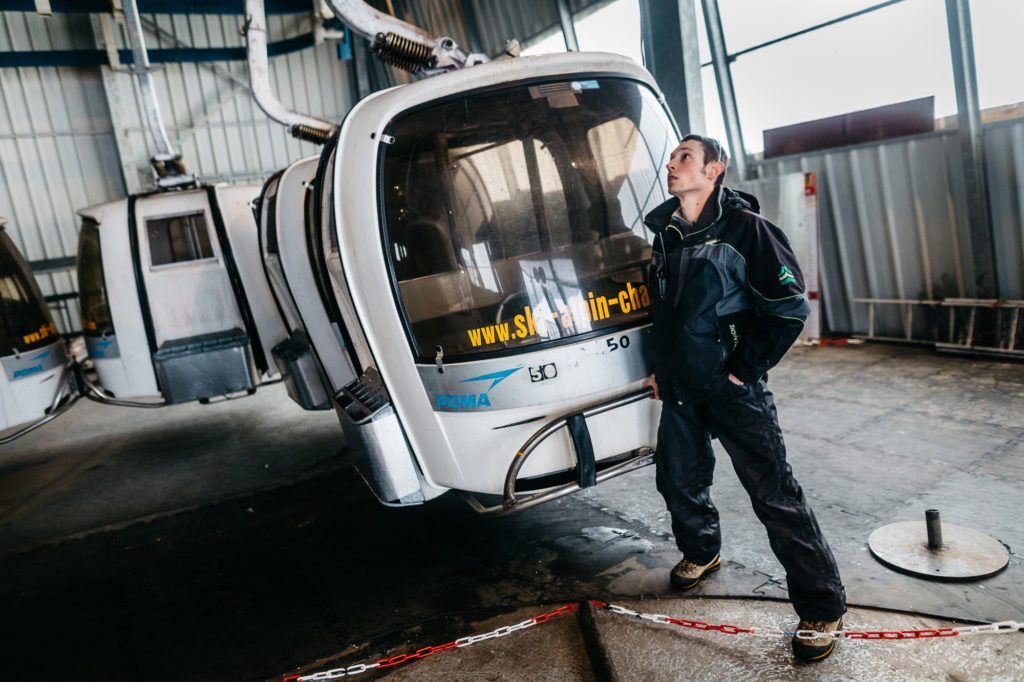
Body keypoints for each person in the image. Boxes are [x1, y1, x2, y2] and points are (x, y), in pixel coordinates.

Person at [642, 134, 847, 662]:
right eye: (672, 157)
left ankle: (821, 606)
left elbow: (788, 308)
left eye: (684, 156)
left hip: (733, 389)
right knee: (677, 479)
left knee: (774, 496)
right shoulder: (665, 235)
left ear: (715, 169)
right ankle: (702, 552)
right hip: (680, 388)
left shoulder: (747, 230)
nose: (672, 163)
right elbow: (662, 312)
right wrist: (658, 370)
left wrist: (741, 372)